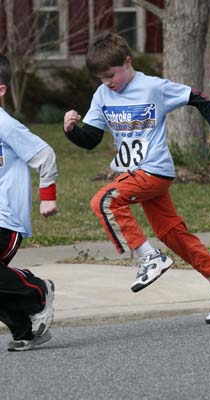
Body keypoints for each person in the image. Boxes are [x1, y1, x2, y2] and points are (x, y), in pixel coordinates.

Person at [63, 32, 210, 324]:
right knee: (172, 234)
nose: (107, 82)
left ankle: (149, 257)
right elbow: (91, 139)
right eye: (101, 78)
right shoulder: (102, 95)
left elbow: (202, 100)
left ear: (127, 61)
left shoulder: (153, 87)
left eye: (111, 74)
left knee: (105, 202)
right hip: (134, 175)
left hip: (154, 170)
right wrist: (71, 131)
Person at [0, 53, 58, 351]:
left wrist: (47, 197)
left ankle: (38, 293)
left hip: (5, 217)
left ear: (1, 90)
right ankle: (24, 330)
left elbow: (45, 154)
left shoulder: (5, 124)